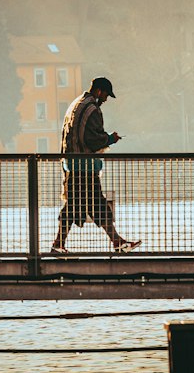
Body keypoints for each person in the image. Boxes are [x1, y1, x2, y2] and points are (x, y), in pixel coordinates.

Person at [50, 76, 141, 254]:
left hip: (72, 165)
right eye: (106, 95)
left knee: (81, 205)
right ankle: (116, 243)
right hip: (85, 167)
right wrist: (110, 139)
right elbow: (91, 139)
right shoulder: (92, 109)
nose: (106, 99)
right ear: (99, 91)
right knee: (92, 205)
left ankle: (115, 242)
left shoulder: (76, 104)